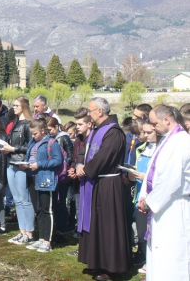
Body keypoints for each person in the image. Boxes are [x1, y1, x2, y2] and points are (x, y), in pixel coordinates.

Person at [75, 97, 130, 280]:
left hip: (108, 185)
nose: (88, 114)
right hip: (94, 181)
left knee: (108, 225)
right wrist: (78, 165)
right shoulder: (96, 130)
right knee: (95, 223)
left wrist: (86, 170)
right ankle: (97, 261)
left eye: (90, 111)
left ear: (100, 111)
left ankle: (112, 267)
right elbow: (84, 150)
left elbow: (105, 156)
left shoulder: (114, 132)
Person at [137, 105, 190, 281]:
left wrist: (149, 202)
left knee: (172, 256)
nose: (152, 127)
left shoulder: (181, 142)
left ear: (167, 120)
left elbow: (171, 180)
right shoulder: (167, 140)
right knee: (159, 253)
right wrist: (144, 195)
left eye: (154, 123)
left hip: (174, 206)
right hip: (162, 205)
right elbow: (153, 171)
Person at [24, 118, 63, 253]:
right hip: (32, 178)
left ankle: (48, 240)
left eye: (35, 134)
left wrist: (39, 165)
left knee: (47, 210)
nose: (33, 136)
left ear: (42, 130)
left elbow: (58, 161)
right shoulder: (32, 142)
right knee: (38, 209)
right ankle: (41, 238)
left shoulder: (52, 143)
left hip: (45, 179)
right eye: (31, 134)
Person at [0, 96, 34, 245]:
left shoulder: (28, 124)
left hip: (21, 164)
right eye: (13, 105)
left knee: (25, 200)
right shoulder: (14, 123)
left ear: (24, 107)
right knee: (17, 201)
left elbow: (31, 146)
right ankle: (22, 231)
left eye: (17, 105)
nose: (14, 107)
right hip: (11, 163)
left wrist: (13, 149)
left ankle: (30, 232)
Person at [130, 119, 157, 273]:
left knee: (151, 233)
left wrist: (145, 176)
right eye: (144, 132)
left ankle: (151, 262)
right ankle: (146, 258)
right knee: (142, 234)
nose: (145, 136)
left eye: (149, 132)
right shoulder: (141, 148)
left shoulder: (162, 149)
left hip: (153, 198)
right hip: (140, 196)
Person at [67, 108, 94, 256]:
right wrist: (72, 168)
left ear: (89, 124)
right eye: (76, 123)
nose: (76, 127)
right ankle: (82, 247)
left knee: (89, 215)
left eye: (80, 124)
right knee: (80, 213)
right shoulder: (78, 139)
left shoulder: (94, 139)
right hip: (78, 182)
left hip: (89, 182)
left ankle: (89, 248)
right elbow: (75, 158)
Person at [47, 117, 74, 235]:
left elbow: (71, 155)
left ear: (56, 127)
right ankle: (58, 225)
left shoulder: (63, 138)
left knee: (61, 201)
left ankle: (63, 227)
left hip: (62, 174)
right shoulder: (51, 138)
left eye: (50, 129)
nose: (49, 132)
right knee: (55, 202)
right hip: (54, 173)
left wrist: (64, 163)